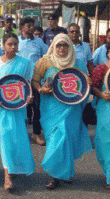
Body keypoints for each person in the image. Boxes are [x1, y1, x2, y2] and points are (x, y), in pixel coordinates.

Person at [32, 33, 92, 189]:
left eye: (65, 45)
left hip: (72, 108)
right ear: (54, 46)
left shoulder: (78, 63)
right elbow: (35, 80)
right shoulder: (44, 61)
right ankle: (55, 175)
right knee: (55, 139)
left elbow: (84, 84)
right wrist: (40, 89)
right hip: (51, 108)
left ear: (70, 47)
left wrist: (88, 83)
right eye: (59, 45)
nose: (62, 48)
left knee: (66, 138)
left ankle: (66, 172)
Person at [0, 33, 35, 191]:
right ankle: (7, 174)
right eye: (10, 44)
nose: (13, 47)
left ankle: (14, 166)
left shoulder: (26, 63)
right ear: (3, 45)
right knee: (6, 139)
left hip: (19, 107)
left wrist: (29, 97)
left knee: (18, 139)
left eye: (15, 44)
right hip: (3, 108)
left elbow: (27, 84)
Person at [17, 17, 48, 146]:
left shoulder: (39, 42)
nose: (31, 28)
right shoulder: (16, 41)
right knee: (19, 107)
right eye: (28, 25)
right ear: (22, 28)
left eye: (32, 25)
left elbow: (46, 57)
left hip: (35, 79)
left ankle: (36, 134)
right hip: (19, 79)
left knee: (37, 107)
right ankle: (21, 134)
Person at [91, 49, 110, 189]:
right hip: (105, 108)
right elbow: (93, 88)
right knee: (105, 141)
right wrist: (102, 95)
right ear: (108, 52)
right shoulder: (101, 69)